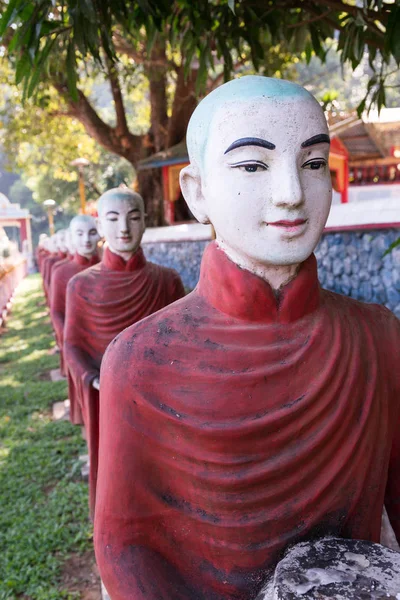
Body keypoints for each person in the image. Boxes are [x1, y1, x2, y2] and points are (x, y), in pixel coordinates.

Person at [94, 76, 400, 600]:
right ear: (198, 193)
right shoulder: (141, 361)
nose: (291, 194)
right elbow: (126, 545)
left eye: (312, 164)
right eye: (253, 166)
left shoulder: (378, 337)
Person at [64, 187, 185, 518]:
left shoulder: (166, 281)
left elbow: (183, 343)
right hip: (106, 397)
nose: (123, 229)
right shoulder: (80, 285)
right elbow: (71, 343)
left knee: (163, 472)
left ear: (145, 222)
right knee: (114, 472)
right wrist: (92, 378)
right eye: (113, 219)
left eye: (133, 218)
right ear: (101, 225)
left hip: (158, 397)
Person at [50, 215, 100, 388]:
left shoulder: (109, 270)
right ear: (72, 237)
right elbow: (56, 311)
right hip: (78, 346)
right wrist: (69, 343)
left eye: (92, 232)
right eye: (79, 234)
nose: (86, 239)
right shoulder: (62, 272)